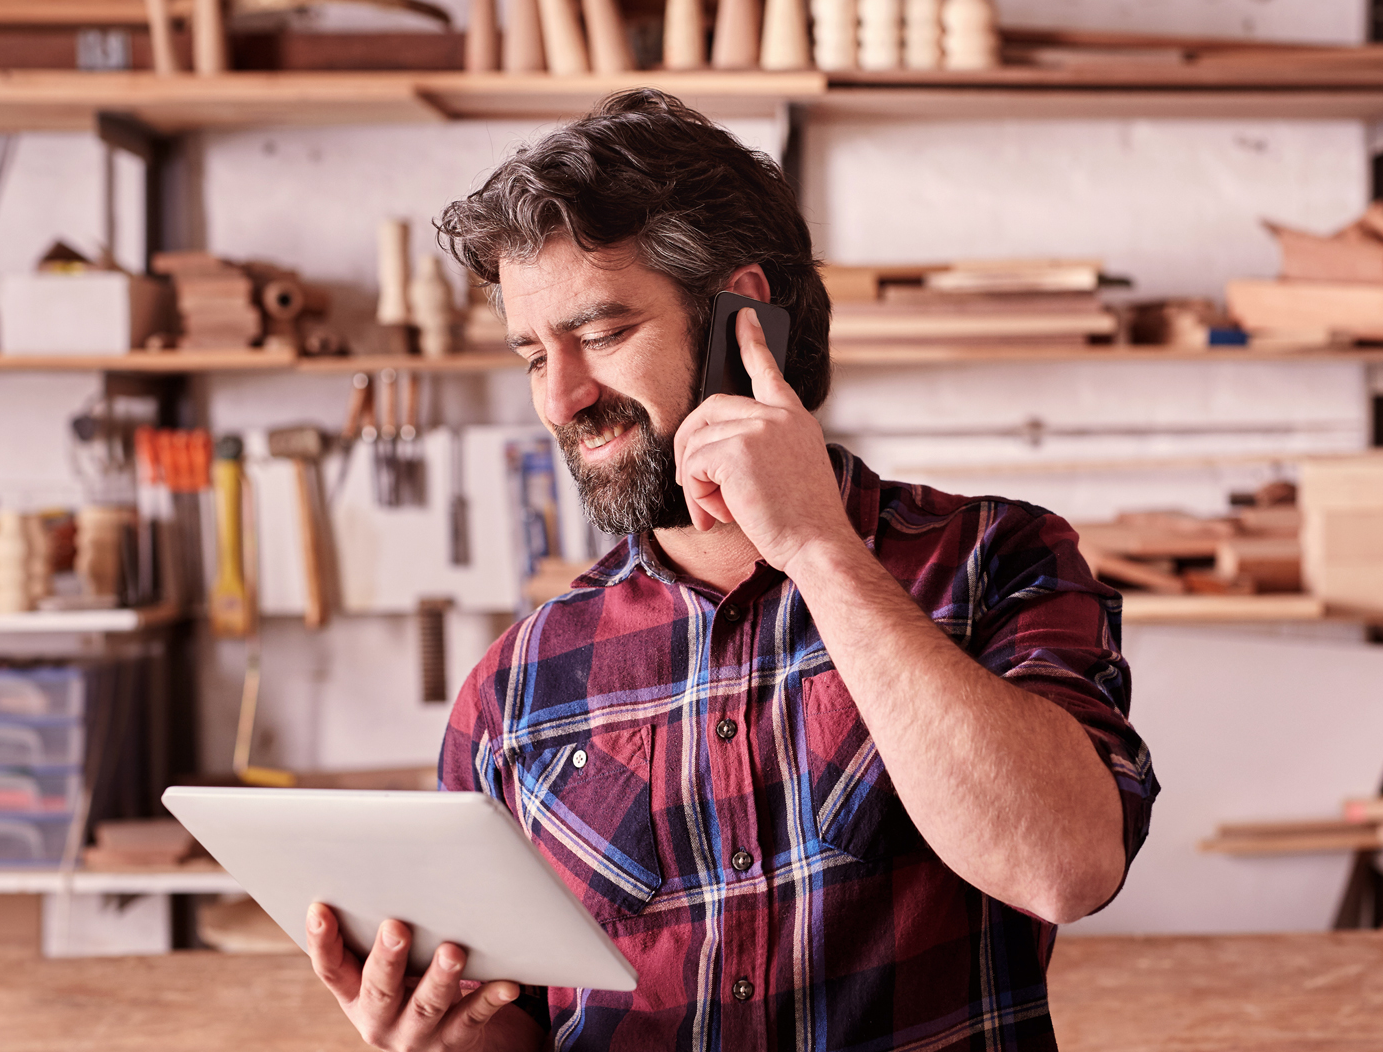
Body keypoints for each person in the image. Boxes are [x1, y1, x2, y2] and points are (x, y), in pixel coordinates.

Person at [304, 88, 1159, 1052]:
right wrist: (439, 1033)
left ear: (740, 320)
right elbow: (524, 1025)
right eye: (532, 355)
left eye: (599, 334)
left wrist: (816, 550)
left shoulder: (996, 560)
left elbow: (1068, 866)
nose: (562, 398)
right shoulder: (517, 685)